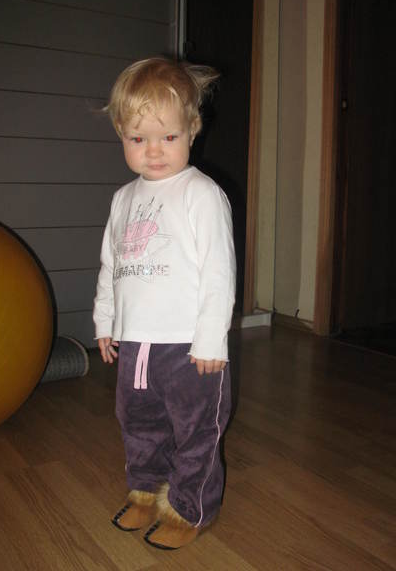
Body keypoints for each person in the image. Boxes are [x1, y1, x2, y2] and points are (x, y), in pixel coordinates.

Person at [93, 57, 236, 550]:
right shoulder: (122, 199)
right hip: (137, 343)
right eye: (138, 138)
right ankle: (146, 489)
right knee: (139, 422)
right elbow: (111, 265)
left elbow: (219, 270)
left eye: (168, 137)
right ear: (121, 134)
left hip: (189, 347)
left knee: (196, 431)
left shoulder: (202, 194)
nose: (153, 151)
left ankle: (189, 507)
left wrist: (211, 338)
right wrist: (106, 321)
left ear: (192, 129)